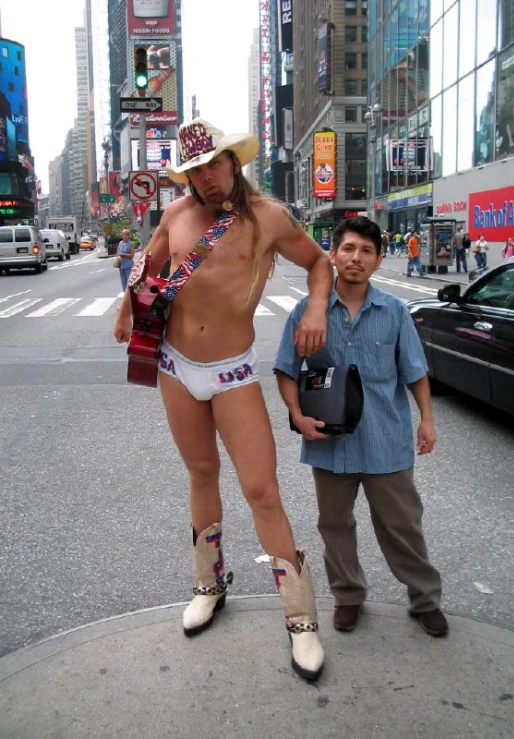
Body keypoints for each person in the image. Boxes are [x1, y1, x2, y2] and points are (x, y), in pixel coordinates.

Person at [113, 118, 332, 682]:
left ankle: (301, 620)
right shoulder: (177, 216)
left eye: (215, 164)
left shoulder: (270, 218)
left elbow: (319, 264)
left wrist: (313, 310)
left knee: (262, 490)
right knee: (201, 474)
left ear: (235, 162)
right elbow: (149, 266)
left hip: (233, 371)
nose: (207, 178)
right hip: (175, 368)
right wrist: (125, 306)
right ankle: (209, 586)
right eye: (195, 170)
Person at [273, 216, 447, 638]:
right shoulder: (307, 310)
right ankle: (348, 596)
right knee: (334, 525)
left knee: (401, 525)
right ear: (332, 255)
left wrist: (426, 419)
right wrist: (296, 414)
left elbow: (415, 371)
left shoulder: (394, 312)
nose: (356, 258)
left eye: (366, 251)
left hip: (386, 438)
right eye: (348, 249)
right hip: (329, 441)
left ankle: (424, 598)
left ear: (378, 260)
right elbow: (285, 367)